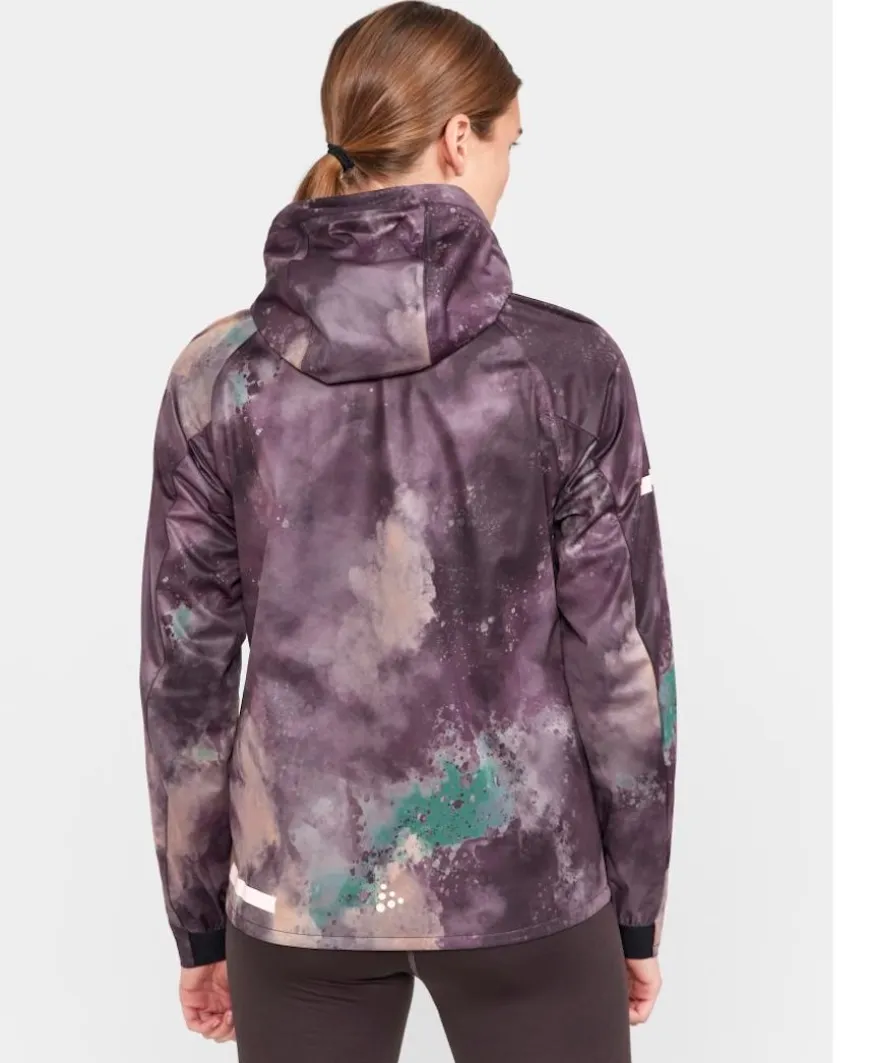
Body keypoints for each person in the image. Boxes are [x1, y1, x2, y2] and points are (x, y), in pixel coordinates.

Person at [139, 2, 677, 1060]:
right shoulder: (568, 368)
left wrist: (200, 919)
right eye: (511, 141)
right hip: (527, 886)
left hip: (300, 892)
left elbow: (183, 677)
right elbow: (623, 664)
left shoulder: (218, 378)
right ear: (458, 139)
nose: (508, 171)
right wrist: (636, 908)